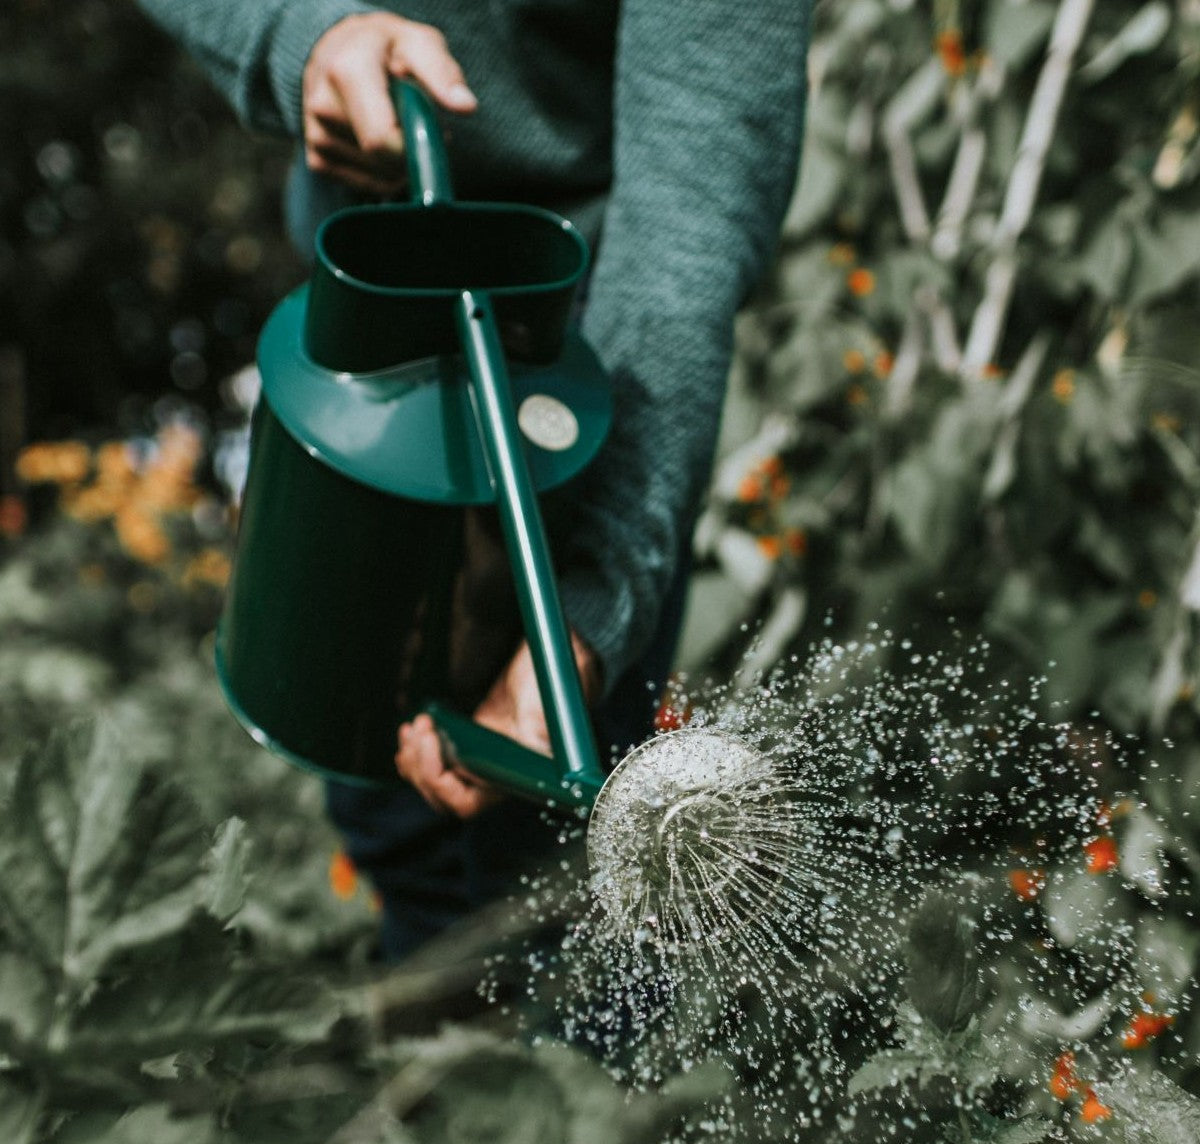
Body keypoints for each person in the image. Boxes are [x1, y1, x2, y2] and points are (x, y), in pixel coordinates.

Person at [137, 0, 812, 957]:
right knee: (396, 835)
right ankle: (430, 1069)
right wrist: (300, 34)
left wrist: (586, 611)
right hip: (367, 335)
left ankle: (573, 1081)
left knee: (563, 905)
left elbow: (686, 226)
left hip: (586, 356)